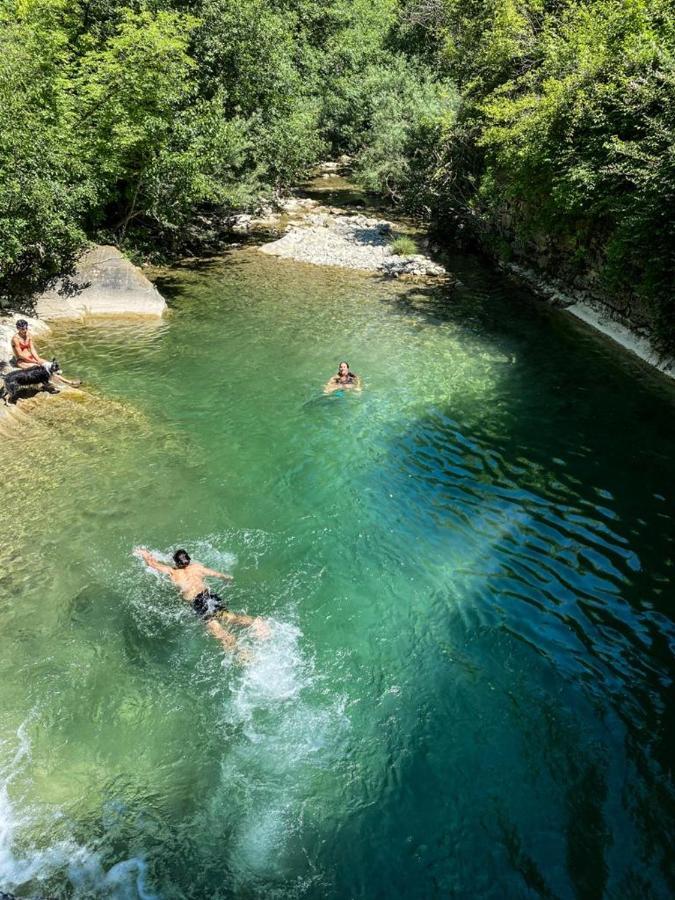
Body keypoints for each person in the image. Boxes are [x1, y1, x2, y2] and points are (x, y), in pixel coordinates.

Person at [133, 547, 270, 652]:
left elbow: (152, 564)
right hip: (209, 596)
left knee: (217, 630)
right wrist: (227, 578)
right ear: (189, 559)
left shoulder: (172, 572)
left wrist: (145, 554)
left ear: (176, 563)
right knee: (230, 617)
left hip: (198, 602)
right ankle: (255, 622)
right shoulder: (197, 568)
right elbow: (216, 574)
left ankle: (239, 651)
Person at [10, 319, 81, 388]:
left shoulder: (28, 335)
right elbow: (20, 355)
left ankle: (67, 381)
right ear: (18, 329)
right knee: (42, 369)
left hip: (31, 358)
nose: (25, 330)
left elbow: (32, 349)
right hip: (22, 361)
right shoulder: (15, 339)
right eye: (22, 329)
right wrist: (34, 362)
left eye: (26, 328)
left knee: (50, 366)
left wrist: (37, 359)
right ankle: (67, 383)